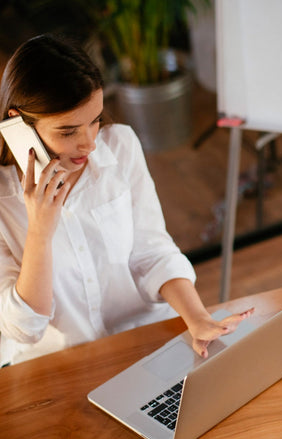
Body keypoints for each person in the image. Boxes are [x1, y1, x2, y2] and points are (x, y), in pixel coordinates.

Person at [0, 34, 252, 366]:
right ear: (18, 122)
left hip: (145, 340)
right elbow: (24, 329)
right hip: (59, 364)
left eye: (95, 121)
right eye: (68, 131)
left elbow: (152, 251)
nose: (89, 143)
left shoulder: (119, 147)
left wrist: (198, 319)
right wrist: (40, 231)